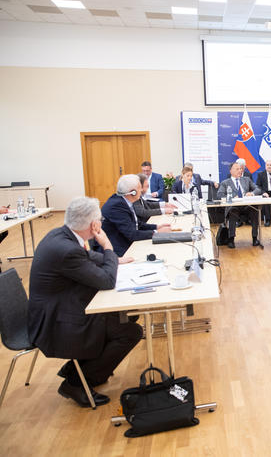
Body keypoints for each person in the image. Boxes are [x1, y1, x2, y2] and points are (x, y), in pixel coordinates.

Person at [27, 197, 142, 408]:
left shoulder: (60, 235)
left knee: (127, 314)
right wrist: (108, 247)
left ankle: (82, 367)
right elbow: (107, 280)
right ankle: (76, 382)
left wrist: (113, 260)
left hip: (59, 306)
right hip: (55, 320)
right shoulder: (66, 250)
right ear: (94, 225)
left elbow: (85, 257)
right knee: (130, 331)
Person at [101, 175, 172, 256]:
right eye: (139, 187)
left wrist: (156, 227)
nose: (141, 190)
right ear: (132, 192)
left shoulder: (123, 201)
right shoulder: (117, 207)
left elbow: (137, 224)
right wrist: (157, 232)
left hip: (126, 244)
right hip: (117, 252)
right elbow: (132, 234)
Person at [217, 162, 261, 248]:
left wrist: (252, 193)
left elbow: (257, 189)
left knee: (254, 210)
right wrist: (231, 197)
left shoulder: (246, 179)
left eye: (240, 169)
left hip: (247, 206)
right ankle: (231, 239)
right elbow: (219, 195)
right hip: (234, 207)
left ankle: (255, 238)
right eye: (237, 169)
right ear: (231, 171)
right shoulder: (225, 182)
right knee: (233, 212)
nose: (240, 171)